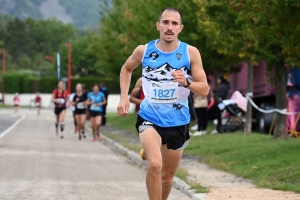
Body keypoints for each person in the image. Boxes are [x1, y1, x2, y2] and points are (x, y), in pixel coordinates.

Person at [117, 7, 209, 200]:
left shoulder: (190, 53)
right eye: (165, 22)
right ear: (158, 25)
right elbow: (126, 69)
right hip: (149, 116)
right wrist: (124, 97)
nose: (169, 27)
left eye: (174, 23)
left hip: (178, 121)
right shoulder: (144, 51)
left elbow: (204, 89)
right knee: (155, 165)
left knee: (167, 178)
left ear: (180, 28)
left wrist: (186, 82)